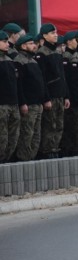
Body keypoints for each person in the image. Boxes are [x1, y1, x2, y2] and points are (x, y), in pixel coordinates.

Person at [35, 23, 69, 159]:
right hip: (51, 96)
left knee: (59, 124)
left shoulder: (57, 52)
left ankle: (55, 147)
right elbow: (42, 78)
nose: (55, 35)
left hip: (60, 95)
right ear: (44, 35)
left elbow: (63, 76)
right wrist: (46, 98)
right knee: (50, 125)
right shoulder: (41, 54)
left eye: (56, 33)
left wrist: (66, 95)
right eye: (52, 33)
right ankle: (47, 151)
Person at [13, 35, 50, 161]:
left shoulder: (33, 60)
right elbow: (20, 85)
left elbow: (41, 81)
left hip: (38, 103)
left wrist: (45, 99)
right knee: (27, 134)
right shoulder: (19, 61)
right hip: (29, 104)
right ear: (23, 46)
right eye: (30, 43)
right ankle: (24, 159)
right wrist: (23, 103)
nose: (34, 45)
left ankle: (32, 158)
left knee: (36, 134)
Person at [0, 31, 22, 163]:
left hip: (13, 103)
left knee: (13, 135)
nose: (7, 44)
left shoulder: (9, 60)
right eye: (3, 41)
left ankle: (7, 159)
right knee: (2, 135)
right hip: (2, 104)